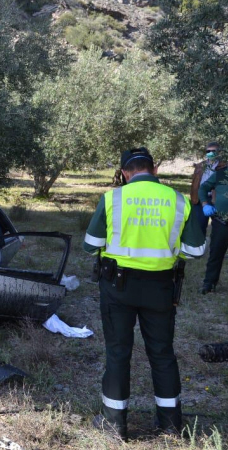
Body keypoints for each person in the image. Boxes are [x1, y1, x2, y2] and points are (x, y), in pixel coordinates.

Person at [83, 147, 206, 439]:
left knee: (118, 353)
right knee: (162, 354)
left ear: (125, 173)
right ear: (154, 170)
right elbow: (195, 250)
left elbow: (90, 245)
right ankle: (170, 425)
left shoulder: (112, 198)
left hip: (118, 287)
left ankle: (114, 425)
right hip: (160, 288)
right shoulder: (177, 200)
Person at [198, 142, 228, 294]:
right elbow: (203, 188)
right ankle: (209, 283)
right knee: (215, 253)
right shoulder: (221, 173)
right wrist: (205, 204)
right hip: (222, 221)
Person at [189, 142, 222, 237]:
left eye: (213, 151)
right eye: (208, 151)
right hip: (200, 199)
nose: (210, 153)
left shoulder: (223, 166)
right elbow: (195, 183)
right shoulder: (200, 166)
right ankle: (201, 245)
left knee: (219, 228)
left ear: (219, 152)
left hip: (217, 199)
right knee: (199, 227)